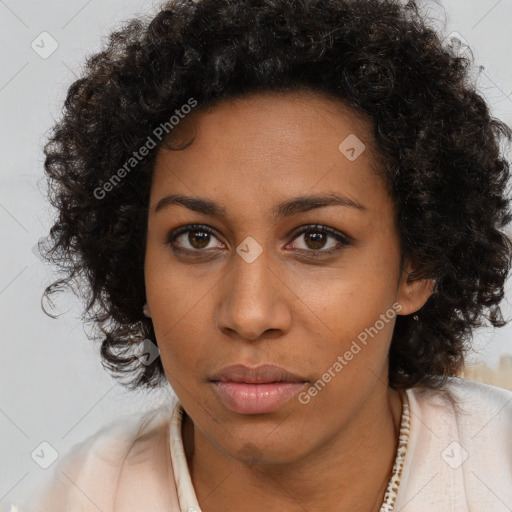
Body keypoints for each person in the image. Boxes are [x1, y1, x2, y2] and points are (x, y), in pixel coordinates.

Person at [21, 0, 512, 510]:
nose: (249, 315)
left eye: (316, 239)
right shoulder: (86, 494)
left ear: (417, 266)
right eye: (197, 238)